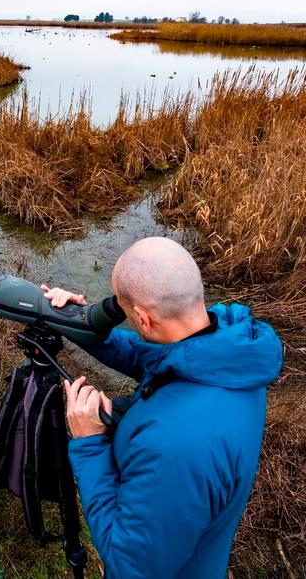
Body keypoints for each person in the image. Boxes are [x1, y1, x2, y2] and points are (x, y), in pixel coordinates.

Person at [41, 236, 282, 579]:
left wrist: (89, 443)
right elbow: (152, 357)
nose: (120, 315)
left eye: (122, 310)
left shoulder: (175, 451)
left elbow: (128, 568)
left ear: (142, 318)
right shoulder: (228, 353)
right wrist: (77, 322)